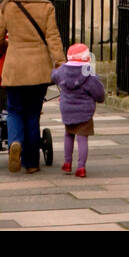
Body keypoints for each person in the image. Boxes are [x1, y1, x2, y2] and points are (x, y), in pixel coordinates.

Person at [0, 0, 64, 173]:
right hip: (38, 70)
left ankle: (14, 143)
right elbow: (53, 38)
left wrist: (5, 46)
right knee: (32, 114)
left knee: (14, 110)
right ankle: (30, 163)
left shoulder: (8, 6)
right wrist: (60, 64)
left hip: (14, 69)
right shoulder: (46, 6)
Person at [50, 43, 105, 177]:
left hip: (67, 109)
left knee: (68, 135)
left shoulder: (62, 71)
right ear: (87, 58)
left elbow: (53, 76)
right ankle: (81, 167)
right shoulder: (89, 74)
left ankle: (67, 163)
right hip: (84, 111)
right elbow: (99, 94)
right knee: (82, 139)